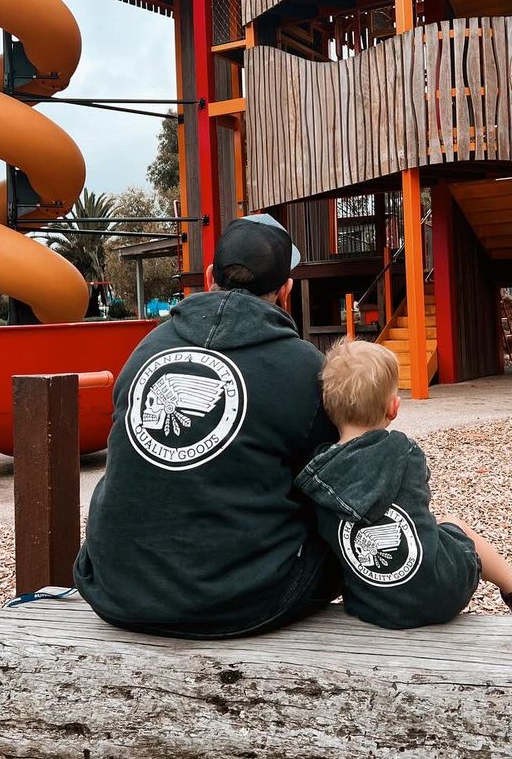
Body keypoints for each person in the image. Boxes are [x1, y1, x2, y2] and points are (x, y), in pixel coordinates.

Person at [74, 214, 341, 638]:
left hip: (115, 589)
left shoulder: (148, 347)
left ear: (211, 275)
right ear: (286, 290)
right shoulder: (303, 365)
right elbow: (328, 482)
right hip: (242, 603)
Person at [297, 339, 512, 629]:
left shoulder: (317, 474)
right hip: (445, 589)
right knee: (453, 524)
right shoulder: (403, 452)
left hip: (375, 607)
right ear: (394, 408)